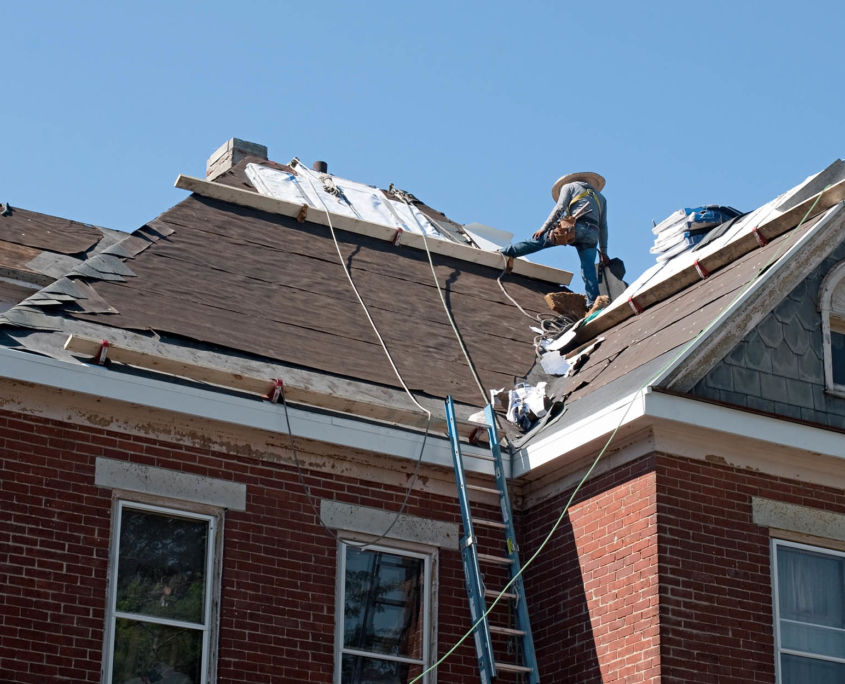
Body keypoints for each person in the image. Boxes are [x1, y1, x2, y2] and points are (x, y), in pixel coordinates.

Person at [501, 172, 609, 307]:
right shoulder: (601, 198)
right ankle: (593, 302)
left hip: (575, 229)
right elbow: (603, 226)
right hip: (592, 234)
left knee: (539, 240)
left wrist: (544, 228)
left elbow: (560, 207)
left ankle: (506, 252)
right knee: (588, 269)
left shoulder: (569, 186)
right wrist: (604, 252)